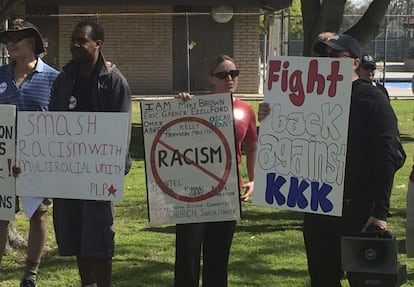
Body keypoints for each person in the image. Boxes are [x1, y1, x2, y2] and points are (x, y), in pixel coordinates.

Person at [258, 33, 405, 287]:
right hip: (318, 206)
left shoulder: (372, 99)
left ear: (355, 62)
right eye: (322, 55)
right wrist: (271, 116)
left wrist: (380, 211)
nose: (327, 61)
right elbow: (288, 139)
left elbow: (389, 155)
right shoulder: (311, 98)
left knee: (366, 280)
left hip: (358, 208)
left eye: (335, 55)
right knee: (323, 279)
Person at [48, 20, 131, 287]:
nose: (75, 45)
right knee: (76, 239)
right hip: (68, 175)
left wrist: (114, 170)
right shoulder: (64, 79)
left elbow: (122, 132)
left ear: (98, 44)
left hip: (98, 177)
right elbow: (52, 123)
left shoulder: (113, 81)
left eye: (82, 40)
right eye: (73, 40)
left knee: (99, 241)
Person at [174, 54, 257, 287]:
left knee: (218, 258)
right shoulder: (194, 106)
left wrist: (253, 180)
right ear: (211, 78)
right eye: (223, 74)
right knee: (187, 256)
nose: (230, 78)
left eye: (234, 73)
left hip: (227, 191)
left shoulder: (246, 111)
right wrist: (180, 105)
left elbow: (251, 147)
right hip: (193, 190)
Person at [0, 18, 59, 287]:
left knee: (39, 213)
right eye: (8, 39)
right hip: (2, 159)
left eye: (17, 38)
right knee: (1, 214)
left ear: (33, 42)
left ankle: (30, 274)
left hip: (37, 159)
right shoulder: (0, 74)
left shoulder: (54, 78)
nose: (10, 43)